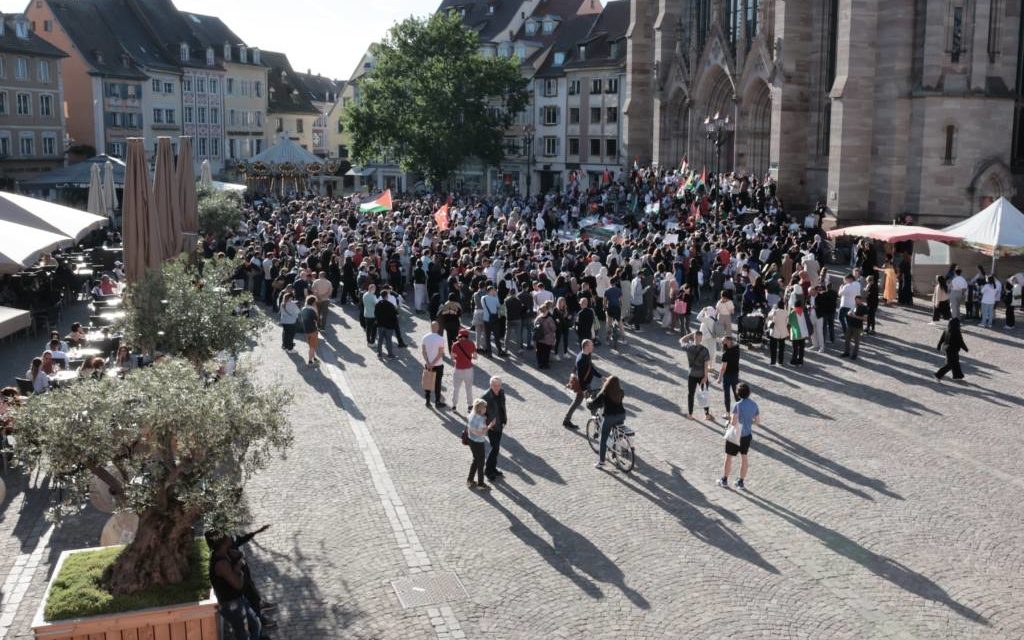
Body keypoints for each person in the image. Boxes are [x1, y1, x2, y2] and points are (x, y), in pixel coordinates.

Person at [206, 530, 261, 640]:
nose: (230, 539)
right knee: (243, 635)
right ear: (222, 544)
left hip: (238, 599)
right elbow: (238, 585)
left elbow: (237, 556)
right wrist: (239, 567)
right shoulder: (221, 564)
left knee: (255, 624)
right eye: (227, 538)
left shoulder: (224, 553)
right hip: (231, 605)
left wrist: (237, 557)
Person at [717, 382, 760, 490]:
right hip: (747, 435)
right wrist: (749, 422)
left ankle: (725, 479)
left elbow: (733, 422)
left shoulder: (737, 405)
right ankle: (741, 482)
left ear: (738, 394)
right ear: (749, 393)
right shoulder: (754, 405)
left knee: (728, 457)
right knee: (744, 457)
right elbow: (757, 421)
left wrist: (730, 420)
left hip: (736, 435)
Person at [587, 375, 626, 468]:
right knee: (616, 434)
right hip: (621, 415)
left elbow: (594, 404)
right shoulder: (621, 392)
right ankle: (614, 452)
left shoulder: (604, 393)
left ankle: (601, 462)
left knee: (603, 439)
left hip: (610, 417)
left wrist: (588, 402)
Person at [563, 339, 600, 429]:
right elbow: (581, 375)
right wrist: (584, 390)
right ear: (586, 347)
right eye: (591, 346)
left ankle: (566, 420)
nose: (593, 347)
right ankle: (597, 424)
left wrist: (600, 376)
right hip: (584, 385)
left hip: (584, 385)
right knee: (592, 404)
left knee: (577, 402)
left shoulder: (585, 355)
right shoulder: (581, 360)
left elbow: (590, 368)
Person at [679, 331, 712, 420]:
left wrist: (691, 334)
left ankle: (690, 414)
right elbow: (706, 364)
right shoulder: (705, 350)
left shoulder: (688, 347)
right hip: (702, 375)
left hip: (692, 374)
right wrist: (705, 376)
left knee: (691, 394)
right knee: (704, 394)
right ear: (701, 339)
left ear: (694, 338)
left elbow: (681, 340)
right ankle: (707, 414)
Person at [481, 376, 508, 481]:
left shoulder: (501, 392)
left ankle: (493, 468)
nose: (497, 388)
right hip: (492, 427)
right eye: (494, 385)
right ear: (490, 385)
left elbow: (503, 406)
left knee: (496, 448)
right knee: (494, 448)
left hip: (500, 424)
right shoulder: (485, 397)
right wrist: (488, 424)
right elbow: (480, 412)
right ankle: (488, 470)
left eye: (498, 385)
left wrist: (504, 419)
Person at [466, 399, 493, 490]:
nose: (486, 408)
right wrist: (490, 425)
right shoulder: (481, 420)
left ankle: (470, 480)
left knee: (475, 460)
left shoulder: (471, 415)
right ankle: (480, 484)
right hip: (478, 442)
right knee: (481, 462)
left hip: (471, 440)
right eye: (485, 407)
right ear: (480, 409)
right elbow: (482, 433)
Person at [421, 320, 447, 408]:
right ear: (438, 328)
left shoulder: (425, 338)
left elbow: (423, 352)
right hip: (438, 364)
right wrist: (433, 363)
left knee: (428, 383)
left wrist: (428, 363)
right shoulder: (441, 339)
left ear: (431, 327)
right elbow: (440, 353)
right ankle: (437, 402)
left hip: (428, 364)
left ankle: (427, 401)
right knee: (437, 384)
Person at [451, 328, 477, 412]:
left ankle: (454, 406)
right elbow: (475, 356)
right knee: (468, 388)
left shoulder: (455, 345)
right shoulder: (471, 343)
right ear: (467, 336)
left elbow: (453, 357)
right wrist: (470, 356)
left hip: (458, 369)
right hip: (468, 369)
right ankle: (470, 406)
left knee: (456, 388)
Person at [718, 335, 740, 420]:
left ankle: (727, 414)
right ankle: (739, 412)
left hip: (727, 376)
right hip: (735, 374)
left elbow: (723, 368)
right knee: (737, 394)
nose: (722, 342)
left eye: (724, 341)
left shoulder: (725, 354)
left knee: (727, 395)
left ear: (728, 341)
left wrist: (719, 377)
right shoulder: (737, 349)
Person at [374, 288, 399, 358]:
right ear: (386, 296)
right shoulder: (390, 305)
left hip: (380, 325)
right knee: (389, 341)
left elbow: (375, 314)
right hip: (389, 326)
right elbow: (395, 315)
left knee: (380, 340)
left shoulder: (378, 304)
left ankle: (379, 353)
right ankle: (390, 354)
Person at [841, 295, 867, 360]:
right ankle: (847, 352)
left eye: (858, 300)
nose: (856, 301)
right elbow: (849, 312)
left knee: (856, 342)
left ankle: (854, 355)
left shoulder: (864, 308)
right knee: (847, 339)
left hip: (857, 327)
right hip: (850, 325)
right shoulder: (854, 306)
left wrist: (855, 316)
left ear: (861, 300)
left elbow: (865, 318)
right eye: (855, 300)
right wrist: (848, 313)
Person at [298, 295, 320, 366]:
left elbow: (300, 319)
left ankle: (314, 357)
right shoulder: (312, 310)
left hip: (306, 330)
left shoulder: (303, 309)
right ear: (313, 302)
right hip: (313, 330)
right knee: (312, 347)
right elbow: (317, 320)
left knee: (311, 345)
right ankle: (310, 361)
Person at [534, 301, 557, 369]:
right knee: (546, 352)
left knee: (539, 352)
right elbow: (554, 328)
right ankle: (545, 364)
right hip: (547, 339)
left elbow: (534, 326)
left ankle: (540, 364)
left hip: (539, 338)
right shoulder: (549, 319)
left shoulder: (538, 318)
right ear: (546, 310)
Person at [767, 299, 789, 366]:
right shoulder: (786, 312)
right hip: (783, 332)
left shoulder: (775, 311)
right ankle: (780, 362)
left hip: (775, 332)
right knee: (781, 348)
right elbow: (787, 322)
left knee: (773, 348)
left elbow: (769, 316)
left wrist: (773, 309)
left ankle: (773, 362)